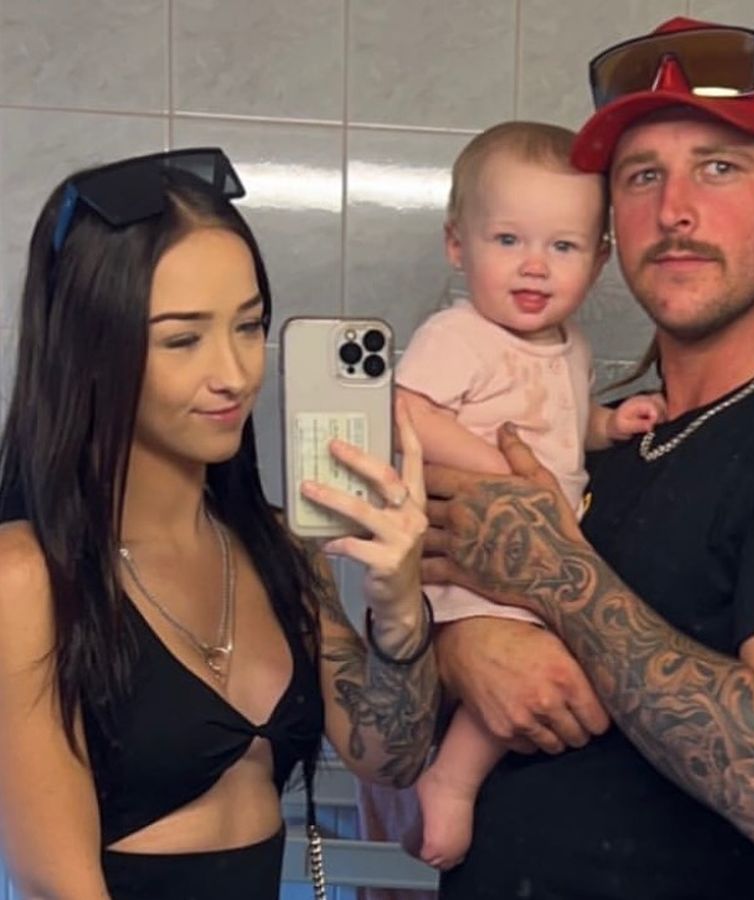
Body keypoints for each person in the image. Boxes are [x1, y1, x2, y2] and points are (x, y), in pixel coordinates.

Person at [420, 17, 754, 900]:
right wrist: (462, 645)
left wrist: (556, 573)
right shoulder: (602, 427)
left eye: (720, 166)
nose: (674, 211)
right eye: (642, 176)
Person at [0, 149, 439, 899]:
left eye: (249, 326)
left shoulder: (277, 551)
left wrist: (399, 611)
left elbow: (390, 759)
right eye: (183, 339)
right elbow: (56, 886)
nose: (234, 374)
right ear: (89, 348)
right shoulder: (26, 578)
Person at [378, 121, 665, 870]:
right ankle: (452, 782)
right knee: (534, 660)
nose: (534, 266)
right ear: (457, 245)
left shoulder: (570, 345)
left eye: (563, 247)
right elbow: (406, 410)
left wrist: (608, 424)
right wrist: (505, 478)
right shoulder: (459, 333)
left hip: (533, 551)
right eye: (507, 240)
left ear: (598, 260)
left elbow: (563, 426)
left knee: (576, 662)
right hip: (471, 549)